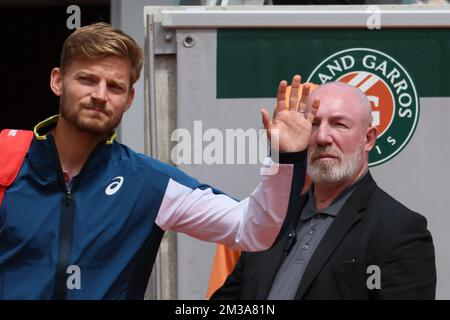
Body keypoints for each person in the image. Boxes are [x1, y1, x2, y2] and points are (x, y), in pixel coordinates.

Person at [0, 23, 319, 299]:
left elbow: (253, 229)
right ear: (58, 81)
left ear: (129, 99)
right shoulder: (6, 156)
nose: (100, 95)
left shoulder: (148, 183)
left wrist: (286, 157)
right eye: (86, 79)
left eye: (114, 86)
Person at [211, 81, 436, 300]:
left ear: (368, 139)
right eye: (314, 124)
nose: (322, 137)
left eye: (339, 124)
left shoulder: (400, 231)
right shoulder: (272, 221)